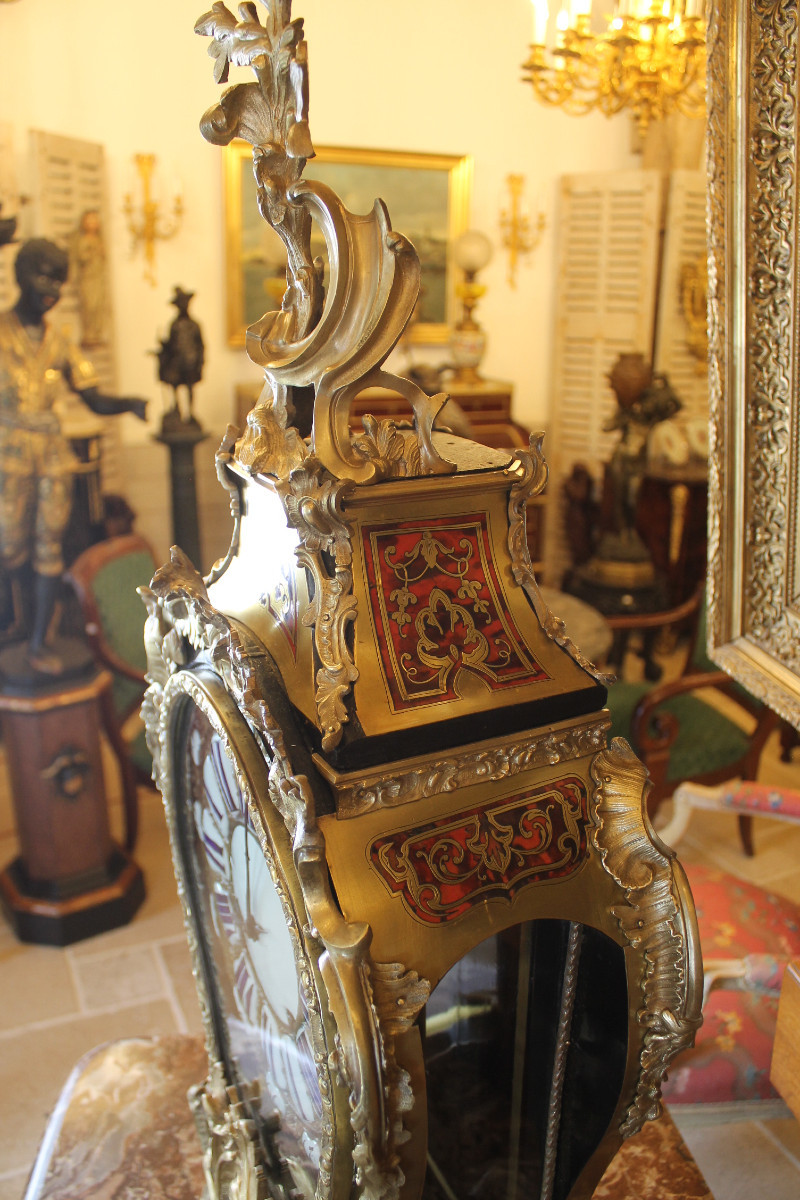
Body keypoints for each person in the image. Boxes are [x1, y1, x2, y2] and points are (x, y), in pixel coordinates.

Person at [0, 238, 146, 675]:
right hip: (7, 458)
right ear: (19, 276)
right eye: (42, 276)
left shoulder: (60, 340)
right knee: (8, 545)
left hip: (51, 459)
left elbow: (91, 396)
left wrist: (128, 404)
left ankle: (41, 639)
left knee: (49, 549)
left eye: (59, 281)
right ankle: (17, 628)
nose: (51, 288)